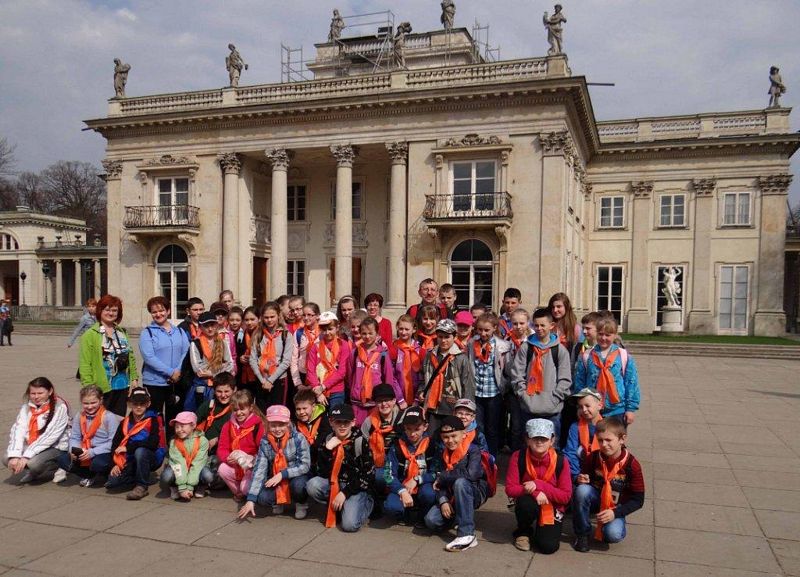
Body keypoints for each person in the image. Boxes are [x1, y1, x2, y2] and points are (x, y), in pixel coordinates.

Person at [572, 417, 645, 552]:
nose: (604, 444)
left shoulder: (632, 465)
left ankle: (612, 524)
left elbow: (638, 500)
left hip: (616, 506)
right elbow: (582, 478)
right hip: (596, 498)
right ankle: (582, 534)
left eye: (608, 440)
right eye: (600, 440)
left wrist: (615, 513)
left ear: (622, 439)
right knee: (582, 491)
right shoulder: (593, 457)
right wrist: (580, 479)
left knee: (613, 534)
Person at [507, 308, 571, 450]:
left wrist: (555, 398)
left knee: (551, 447)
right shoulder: (526, 348)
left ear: (551, 325)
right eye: (536, 325)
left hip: (552, 409)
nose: (539, 328)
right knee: (529, 446)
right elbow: (517, 374)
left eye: (543, 325)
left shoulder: (560, 350)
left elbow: (565, 379)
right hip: (529, 407)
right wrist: (523, 395)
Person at [505, 419, 572, 553]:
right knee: (525, 504)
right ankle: (523, 531)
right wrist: (534, 491)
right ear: (527, 439)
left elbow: (566, 496)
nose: (539, 442)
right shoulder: (518, 457)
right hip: (529, 499)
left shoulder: (561, 461)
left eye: (544, 438)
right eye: (535, 437)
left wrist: (539, 484)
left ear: (552, 440)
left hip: (552, 503)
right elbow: (510, 489)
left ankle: (543, 530)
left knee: (548, 547)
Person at [306, 404, 375, 532]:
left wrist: (345, 493)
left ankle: (367, 505)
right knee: (312, 485)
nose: (342, 426)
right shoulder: (327, 439)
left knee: (349, 525)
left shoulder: (360, 442)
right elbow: (322, 471)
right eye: (338, 422)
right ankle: (339, 507)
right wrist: (327, 450)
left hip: (355, 486)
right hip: (334, 483)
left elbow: (368, 475)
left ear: (353, 422)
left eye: (346, 422)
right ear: (331, 423)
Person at [424, 415, 488, 552]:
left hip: (473, 492)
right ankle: (459, 517)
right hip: (450, 494)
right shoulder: (442, 452)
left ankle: (467, 534)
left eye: (454, 436)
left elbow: (472, 474)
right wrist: (443, 500)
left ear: (463, 434)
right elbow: (437, 482)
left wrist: (444, 476)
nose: (450, 441)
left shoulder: (473, 450)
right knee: (431, 520)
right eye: (446, 437)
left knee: (460, 482)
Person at [237, 404, 311, 519]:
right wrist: (251, 499)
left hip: (295, 476)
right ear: (268, 425)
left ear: (287, 423)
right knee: (261, 497)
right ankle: (279, 501)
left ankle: (300, 503)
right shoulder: (265, 441)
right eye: (273, 425)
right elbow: (259, 470)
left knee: (299, 486)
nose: (277, 429)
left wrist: (283, 474)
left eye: (281, 425)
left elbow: (305, 465)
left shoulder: (298, 438)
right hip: (275, 478)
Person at [79, 294, 139, 417]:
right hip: (101, 388)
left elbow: (130, 357)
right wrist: (89, 389)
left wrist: (134, 378)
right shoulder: (90, 335)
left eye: (114, 310)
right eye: (107, 309)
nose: (111, 313)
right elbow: (85, 364)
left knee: (119, 421)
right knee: (101, 422)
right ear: (100, 311)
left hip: (122, 385)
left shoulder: (122, 332)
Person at [573, 316, 640, 425]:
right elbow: (579, 382)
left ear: (615, 335)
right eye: (600, 334)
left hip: (617, 410)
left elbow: (631, 383)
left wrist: (630, 409)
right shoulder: (587, 355)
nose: (603, 338)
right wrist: (580, 406)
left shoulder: (623, 355)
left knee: (614, 436)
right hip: (592, 410)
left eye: (608, 335)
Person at [105, 387, 166, 500]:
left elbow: (153, 443)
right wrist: (114, 464)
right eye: (135, 404)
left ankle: (142, 486)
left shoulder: (153, 420)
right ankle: (138, 475)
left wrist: (128, 448)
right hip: (129, 459)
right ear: (129, 404)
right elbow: (115, 444)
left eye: (142, 404)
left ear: (148, 404)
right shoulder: (125, 422)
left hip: (151, 456)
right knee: (112, 483)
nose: (138, 407)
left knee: (140, 451)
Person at [5, 377, 70, 483]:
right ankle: (33, 471)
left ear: (50, 391)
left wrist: (26, 456)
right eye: (33, 393)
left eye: (40, 393)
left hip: (56, 447)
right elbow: (18, 430)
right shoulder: (26, 407)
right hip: (34, 444)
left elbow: (49, 436)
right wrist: (15, 455)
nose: (36, 397)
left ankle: (62, 466)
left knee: (33, 463)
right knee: (7, 458)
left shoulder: (60, 407)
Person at [56, 385, 120, 487]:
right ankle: (88, 475)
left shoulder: (109, 417)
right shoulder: (80, 415)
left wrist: (92, 452)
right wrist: (74, 450)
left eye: (93, 403)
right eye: (86, 403)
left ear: (101, 400)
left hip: (102, 451)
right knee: (62, 460)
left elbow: (113, 443)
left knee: (98, 464)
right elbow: (75, 437)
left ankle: (103, 474)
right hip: (84, 450)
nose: (89, 407)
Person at [384, 406, 439, 525]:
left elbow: (436, 472)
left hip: (423, 485)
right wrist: (402, 491)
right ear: (404, 427)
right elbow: (388, 475)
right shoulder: (397, 446)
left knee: (429, 494)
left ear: (425, 427)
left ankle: (422, 515)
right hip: (402, 485)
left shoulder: (432, 446)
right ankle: (404, 514)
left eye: (417, 429)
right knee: (391, 507)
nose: (412, 433)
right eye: (408, 429)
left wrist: (417, 479)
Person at [139, 296, 189, 420]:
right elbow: (149, 357)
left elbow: (186, 352)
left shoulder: (179, 331)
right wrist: (170, 372)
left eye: (161, 310)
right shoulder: (147, 333)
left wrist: (178, 371)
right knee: (154, 418)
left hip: (175, 382)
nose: (158, 314)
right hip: (154, 383)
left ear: (168, 311)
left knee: (174, 418)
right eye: (154, 312)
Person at [420, 319, 474, 431]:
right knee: (432, 436)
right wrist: (421, 391)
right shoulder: (430, 355)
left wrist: (466, 408)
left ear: (455, 337)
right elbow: (423, 377)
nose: (443, 340)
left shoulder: (461, 358)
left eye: (447, 337)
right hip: (433, 407)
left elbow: (468, 385)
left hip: (453, 407)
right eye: (440, 337)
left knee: (451, 436)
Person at [468, 313, 510, 457]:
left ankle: (491, 457)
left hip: (494, 392)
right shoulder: (472, 343)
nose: (483, 333)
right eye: (480, 329)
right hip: (477, 392)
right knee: (478, 427)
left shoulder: (502, 346)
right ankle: (480, 455)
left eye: (487, 330)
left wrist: (505, 386)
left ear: (494, 328)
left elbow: (507, 369)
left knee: (492, 428)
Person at [349, 317, 401, 425]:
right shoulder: (355, 353)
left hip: (375, 403)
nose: (367, 336)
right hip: (357, 402)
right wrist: (354, 389)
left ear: (377, 334)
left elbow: (388, 379)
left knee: (374, 428)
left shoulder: (383, 355)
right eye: (364, 333)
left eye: (370, 333)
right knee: (358, 428)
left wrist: (387, 399)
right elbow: (350, 375)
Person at [217, 390, 265, 501]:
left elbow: (262, 449)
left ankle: (248, 491)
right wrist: (227, 458)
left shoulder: (258, 425)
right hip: (236, 464)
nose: (239, 413)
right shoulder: (228, 426)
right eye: (235, 410)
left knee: (245, 488)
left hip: (251, 466)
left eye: (242, 409)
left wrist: (251, 460)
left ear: (250, 408)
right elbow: (222, 448)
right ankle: (239, 492)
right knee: (222, 469)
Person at [250, 301, 294, 410]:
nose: (269, 320)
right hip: (261, 379)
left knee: (277, 412)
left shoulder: (286, 335)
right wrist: (263, 380)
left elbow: (286, 361)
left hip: (278, 379)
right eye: (266, 317)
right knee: (261, 412)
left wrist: (271, 380)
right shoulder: (258, 335)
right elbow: (253, 359)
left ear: (278, 316)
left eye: (272, 317)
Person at [361, 383, 402, 498]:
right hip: (379, 464)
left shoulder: (402, 419)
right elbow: (363, 445)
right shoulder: (369, 422)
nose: (384, 404)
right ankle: (378, 498)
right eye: (380, 401)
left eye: (387, 400)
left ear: (394, 400)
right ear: (375, 403)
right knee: (379, 477)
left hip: (400, 462)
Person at [159, 411, 212, 501]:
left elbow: (198, 463)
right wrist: (182, 487)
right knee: (166, 476)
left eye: (182, 426)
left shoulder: (203, 441)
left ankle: (201, 486)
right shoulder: (174, 442)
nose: (179, 430)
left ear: (193, 426)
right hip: (180, 470)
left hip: (197, 469)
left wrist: (190, 486)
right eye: (177, 427)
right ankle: (175, 487)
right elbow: (178, 463)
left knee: (208, 475)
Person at [187, 312, 234, 411]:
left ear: (216, 325)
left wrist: (212, 373)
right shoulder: (195, 344)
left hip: (220, 386)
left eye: (212, 325)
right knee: (201, 412)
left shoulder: (223, 343)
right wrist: (221, 368)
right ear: (200, 327)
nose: (210, 329)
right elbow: (198, 369)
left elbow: (229, 364)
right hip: (202, 387)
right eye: (206, 326)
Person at [196, 371, 236, 480]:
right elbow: (192, 422)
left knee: (209, 475)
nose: (223, 395)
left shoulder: (237, 409)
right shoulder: (209, 405)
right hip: (204, 451)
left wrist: (218, 440)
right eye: (219, 391)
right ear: (214, 390)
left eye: (227, 391)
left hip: (225, 453)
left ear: (234, 390)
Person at [306, 311, 350, 407]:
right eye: (324, 329)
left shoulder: (344, 345)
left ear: (337, 327)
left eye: (330, 329)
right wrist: (318, 391)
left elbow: (342, 371)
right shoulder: (315, 346)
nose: (327, 333)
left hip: (336, 390)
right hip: (318, 390)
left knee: (335, 415)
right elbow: (310, 371)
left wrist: (323, 386)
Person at [564, 388, 603, 483]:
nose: (584, 410)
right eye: (580, 407)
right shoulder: (575, 427)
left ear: (600, 405)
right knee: (582, 491)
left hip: (602, 474)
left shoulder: (608, 426)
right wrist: (576, 475)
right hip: (581, 473)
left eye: (587, 406)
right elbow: (570, 452)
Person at [293, 388, 331, 464]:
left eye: (304, 408)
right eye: (298, 409)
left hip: (320, 458)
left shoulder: (323, 419)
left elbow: (325, 436)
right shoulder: (294, 422)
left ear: (313, 407)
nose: (301, 412)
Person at [290, 302, 320, 393]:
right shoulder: (298, 333)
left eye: (310, 315)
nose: (306, 318)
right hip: (303, 375)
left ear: (317, 316)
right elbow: (293, 359)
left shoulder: (323, 333)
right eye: (304, 315)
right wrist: (298, 383)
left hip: (319, 375)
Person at [393, 314, 422, 406]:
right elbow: (392, 377)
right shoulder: (393, 349)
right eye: (401, 329)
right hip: (398, 399)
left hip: (417, 399)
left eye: (407, 329)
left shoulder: (419, 350)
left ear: (414, 329)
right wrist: (400, 399)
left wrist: (417, 398)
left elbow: (422, 376)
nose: (403, 332)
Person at [68, 299, 97, 377]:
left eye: (93, 306)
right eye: (89, 306)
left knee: (93, 357)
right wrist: (71, 342)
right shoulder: (84, 318)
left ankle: (82, 373)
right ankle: (81, 374)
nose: (91, 308)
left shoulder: (98, 316)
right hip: (86, 341)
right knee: (87, 357)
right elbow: (77, 330)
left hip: (95, 340)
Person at [236, 306, 260, 399]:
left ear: (259, 319)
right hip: (244, 376)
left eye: (252, 319)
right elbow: (236, 354)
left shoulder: (262, 334)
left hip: (259, 375)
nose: (249, 322)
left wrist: (253, 359)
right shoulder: (240, 335)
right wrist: (240, 358)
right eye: (246, 320)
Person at [210, 301, 238, 376]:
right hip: (211, 371)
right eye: (217, 313)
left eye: (223, 314)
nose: (220, 316)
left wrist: (234, 369)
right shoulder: (209, 333)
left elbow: (233, 355)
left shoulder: (229, 334)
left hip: (227, 372)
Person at [364, 293, 395, 358]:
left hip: (381, 355)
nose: (372, 307)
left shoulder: (386, 323)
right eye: (369, 305)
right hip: (365, 355)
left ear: (380, 307)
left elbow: (389, 344)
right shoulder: (363, 322)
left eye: (375, 305)